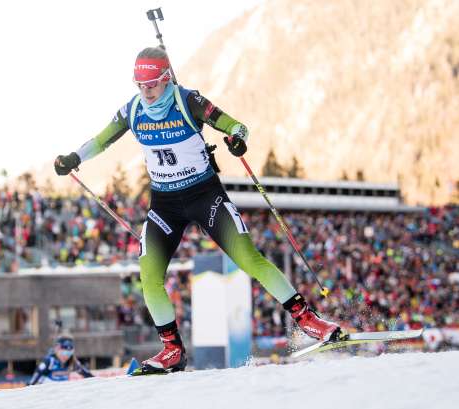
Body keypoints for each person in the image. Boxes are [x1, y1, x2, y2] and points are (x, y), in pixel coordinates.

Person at [54, 46, 342, 374]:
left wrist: (236, 138)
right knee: (149, 275)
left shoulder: (187, 101)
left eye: (151, 85)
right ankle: (172, 351)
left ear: (166, 79)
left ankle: (308, 320)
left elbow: (235, 125)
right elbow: (101, 140)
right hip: (165, 204)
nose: (145, 92)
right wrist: (74, 158)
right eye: (140, 85)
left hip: (205, 195)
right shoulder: (132, 110)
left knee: (250, 259)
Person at [28, 335, 94, 384]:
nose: (66, 356)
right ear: (57, 349)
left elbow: (87, 375)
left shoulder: (72, 362)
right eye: (64, 353)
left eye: (69, 353)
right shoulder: (49, 361)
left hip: (61, 396)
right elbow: (33, 381)